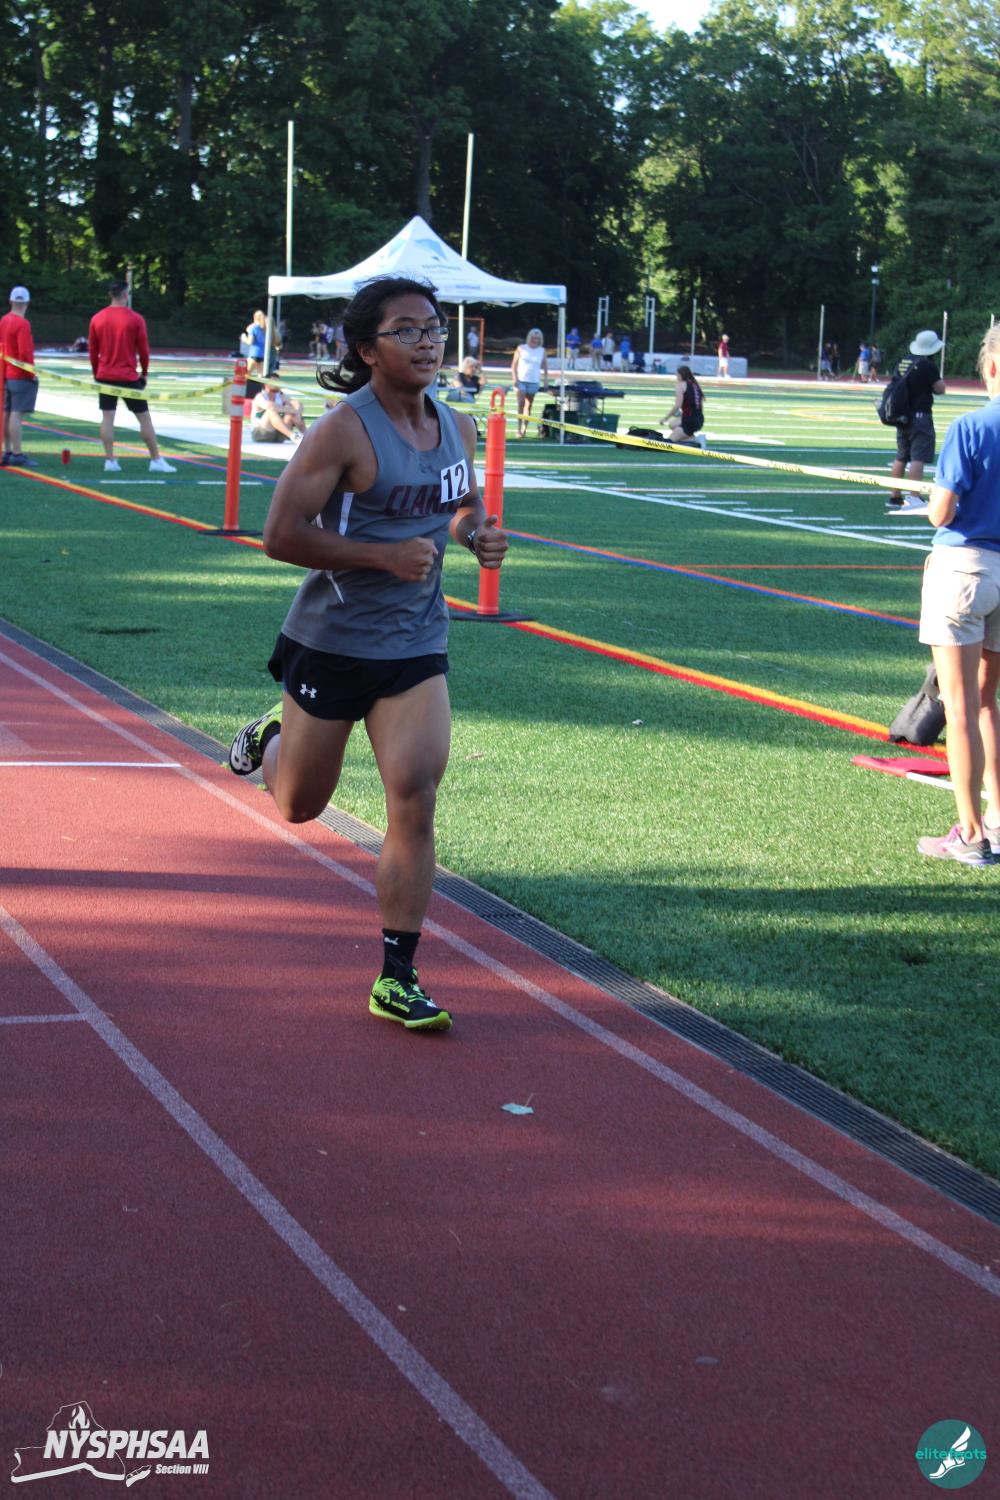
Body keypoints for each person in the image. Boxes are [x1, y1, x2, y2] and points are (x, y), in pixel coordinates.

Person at [228, 275, 508, 1031]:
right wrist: (381, 558)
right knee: (299, 805)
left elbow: (460, 507)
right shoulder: (342, 432)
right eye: (407, 331)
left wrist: (476, 536)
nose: (428, 343)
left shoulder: (458, 426)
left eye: (434, 329)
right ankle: (274, 738)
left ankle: (397, 974)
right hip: (333, 641)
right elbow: (279, 535)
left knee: (414, 793)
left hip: (415, 642)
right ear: (366, 349)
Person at [916, 323, 1000, 868]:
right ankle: (996, 820)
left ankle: (971, 833)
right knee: (990, 701)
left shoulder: (970, 426)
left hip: (966, 567)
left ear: (991, 367)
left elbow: (941, 513)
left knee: (961, 704)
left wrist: (934, 496)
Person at [88, 280, 175, 473]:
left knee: (107, 417)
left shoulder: (97, 318)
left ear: (110, 295)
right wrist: (144, 373)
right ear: (126, 295)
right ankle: (155, 459)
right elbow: (143, 350)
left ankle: (110, 460)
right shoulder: (135, 319)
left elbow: (93, 351)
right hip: (128, 376)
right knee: (144, 417)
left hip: (105, 375)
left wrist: (96, 373)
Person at [887, 330, 946, 511]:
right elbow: (940, 389)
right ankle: (914, 497)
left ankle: (894, 496)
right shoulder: (927, 365)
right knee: (918, 458)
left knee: (901, 457)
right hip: (920, 417)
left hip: (902, 416)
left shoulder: (903, 362)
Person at [0, 285, 38, 468]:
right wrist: (31, 373)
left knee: (6, 414)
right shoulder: (23, 324)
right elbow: (24, 352)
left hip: (6, 372)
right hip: (19, 375)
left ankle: (7, 451)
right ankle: (17, 453)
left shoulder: (4, 320)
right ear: (27, 303)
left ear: (11, 301)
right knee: (16, 414)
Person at [510, 327, 548, 438]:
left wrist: (545, 381)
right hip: (521, 380)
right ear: (529, 338)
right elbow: (514, 365)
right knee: (520, 404)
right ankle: (518, 429)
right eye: (533, 338)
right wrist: (514, 379)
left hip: (534, 381)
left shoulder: (542, 351)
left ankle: (524, 428)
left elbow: (545, 367)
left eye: (537, 338)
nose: (535, 340)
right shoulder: (521, 348)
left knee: (529, 405)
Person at [661, 364, 706, 447]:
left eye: (677, 375)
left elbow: (678, 405)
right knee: (672, 424)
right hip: (699, 419)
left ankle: (695, 440)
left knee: (667, 444)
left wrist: (665, 418)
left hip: (689, 421)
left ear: (681, 375)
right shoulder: (695, 384)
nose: (676, 377)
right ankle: (692, 437)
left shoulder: (680, 385)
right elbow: (698, 406)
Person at [250, 378, 307, 443]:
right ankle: (293, 436)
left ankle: (308, 436)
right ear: (266, 384)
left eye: (277, 382)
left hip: (277, 435)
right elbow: (270, 406)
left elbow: (298, 404)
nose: (277, 384)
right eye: (274, 382)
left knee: (291, 415)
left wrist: (297, 413)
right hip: (261, 434)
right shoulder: (260, 396)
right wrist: (293, 410)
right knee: (271, 412)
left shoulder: (281, 396)